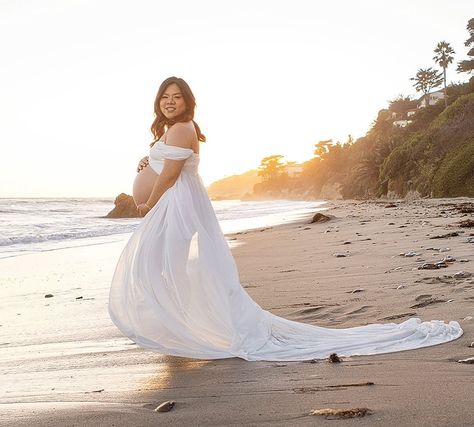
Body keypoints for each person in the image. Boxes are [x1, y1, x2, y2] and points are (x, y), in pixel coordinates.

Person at [108, 76, 463, 361]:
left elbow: (169, 176)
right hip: (173, 206)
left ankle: (183, 328)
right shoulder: (171, 131)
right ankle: (182, 326)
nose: (170, 101)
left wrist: (146, 206)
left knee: (163, 267)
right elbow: (163, 166)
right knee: (163, 268)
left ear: (187, 102)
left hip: (174, 206)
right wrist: (147, 160)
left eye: (177, 96)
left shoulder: (184, 127)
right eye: (165, 96)